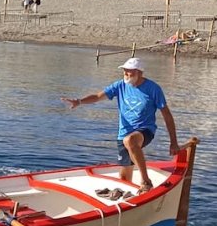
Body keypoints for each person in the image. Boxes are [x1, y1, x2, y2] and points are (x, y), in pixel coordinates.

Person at [61, 57, 178, 194]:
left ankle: (146, 181)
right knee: (123, 178)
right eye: (125, 72)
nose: (127, 75)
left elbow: (167, 115)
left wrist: (173, 142)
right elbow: (98, 96)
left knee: (130, 141)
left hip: (145, 130)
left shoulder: (153, 89)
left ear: (140, 73)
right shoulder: (120, 85)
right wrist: (79, 102)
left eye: (130, 72)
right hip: (124, 132)